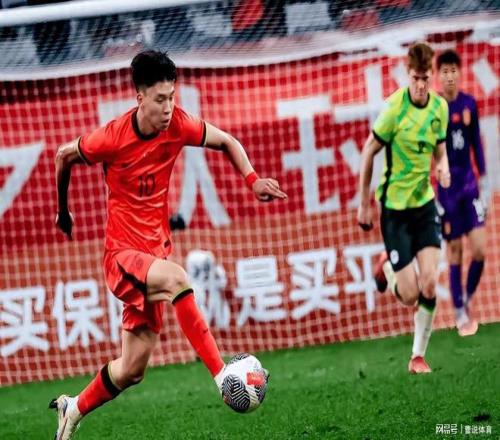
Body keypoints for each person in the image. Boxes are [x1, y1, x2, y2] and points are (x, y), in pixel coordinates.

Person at [51, 50, 287, 440]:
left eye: (172, 97)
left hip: (154, 253)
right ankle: (223, 376)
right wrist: (63, 210)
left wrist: (252, 179)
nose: (168, 107)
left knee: (131, 369)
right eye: (160, 99)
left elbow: (227, 141)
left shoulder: (178, 125)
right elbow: (63, 155)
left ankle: (72, 409)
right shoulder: (111, 137)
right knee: (178, 279)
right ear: (140, 97)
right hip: (123, 256)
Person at [357, 42, 450, 374]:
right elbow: (368, 150)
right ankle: (387, 266)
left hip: (424, 206)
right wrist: (364, 203)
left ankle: (417, 357)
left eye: (425, 79)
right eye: (415, 78)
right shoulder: (395, 109)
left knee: (430, 284)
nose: (421, 85)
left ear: (431, 76)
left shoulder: (439, 108)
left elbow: (440, 149)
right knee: (410, 295)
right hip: (394, 210)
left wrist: (443, 167)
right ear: (407, 75)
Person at [436, 49, 488, 337]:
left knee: (479, 249)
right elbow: (429, 150)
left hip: (469, 186)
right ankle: (459, 311)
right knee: (454, 250)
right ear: (438, 76)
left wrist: (486, 182)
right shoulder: (434, 109)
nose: (449, 76)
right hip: (446, 190)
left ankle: (467, 297)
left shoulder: (469, 103)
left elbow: (476, 144)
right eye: (444, 71)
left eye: (453, 70)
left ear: (459, 72)